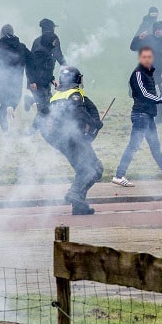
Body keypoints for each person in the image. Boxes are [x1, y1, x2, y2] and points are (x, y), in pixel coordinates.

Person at [41, 66, 104, 215]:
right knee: (95, 168)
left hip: (61, 140)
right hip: (74, 138)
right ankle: (75, 193)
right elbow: (79, 112)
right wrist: (95, 123)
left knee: (83, 170)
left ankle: (79, 205)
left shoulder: (55, 96)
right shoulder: (74, 95)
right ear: (77, 79)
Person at [113, 46, 162, 187]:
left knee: (155, 147)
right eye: (144, 57)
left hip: (148, 116)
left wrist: (160, 98)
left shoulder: (149, 73)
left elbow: (150, 92)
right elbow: (143, 94)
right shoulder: (138, 73)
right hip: (141, 115)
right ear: (140, 58)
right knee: (133, 146)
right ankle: (119, 175)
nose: (147, 59)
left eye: (149, 57)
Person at [27, 19, 66, 130]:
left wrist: (52, 79)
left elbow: (46, 64)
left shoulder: (38, 41)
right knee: (45, 108)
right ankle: (31, 132)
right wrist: (66, 67)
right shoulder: (50, 41)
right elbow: (58, 56)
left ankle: (32, 131)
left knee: (47, 106)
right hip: (38, 81)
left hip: (44, 79)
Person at [0, 25, 29, 134]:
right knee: (14, 100)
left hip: (3, 80)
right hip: (18, 80)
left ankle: (5, 131)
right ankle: (11, 107)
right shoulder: (21, 46)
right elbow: (30, 60)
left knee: (1, 107)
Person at [131, 20, 162, 99]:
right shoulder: (148, 39)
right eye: (156, 29)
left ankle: (159, 111)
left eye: (160, 29)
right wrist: (139, 38)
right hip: (148, 73)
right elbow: (133, 47)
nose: (158, 31)